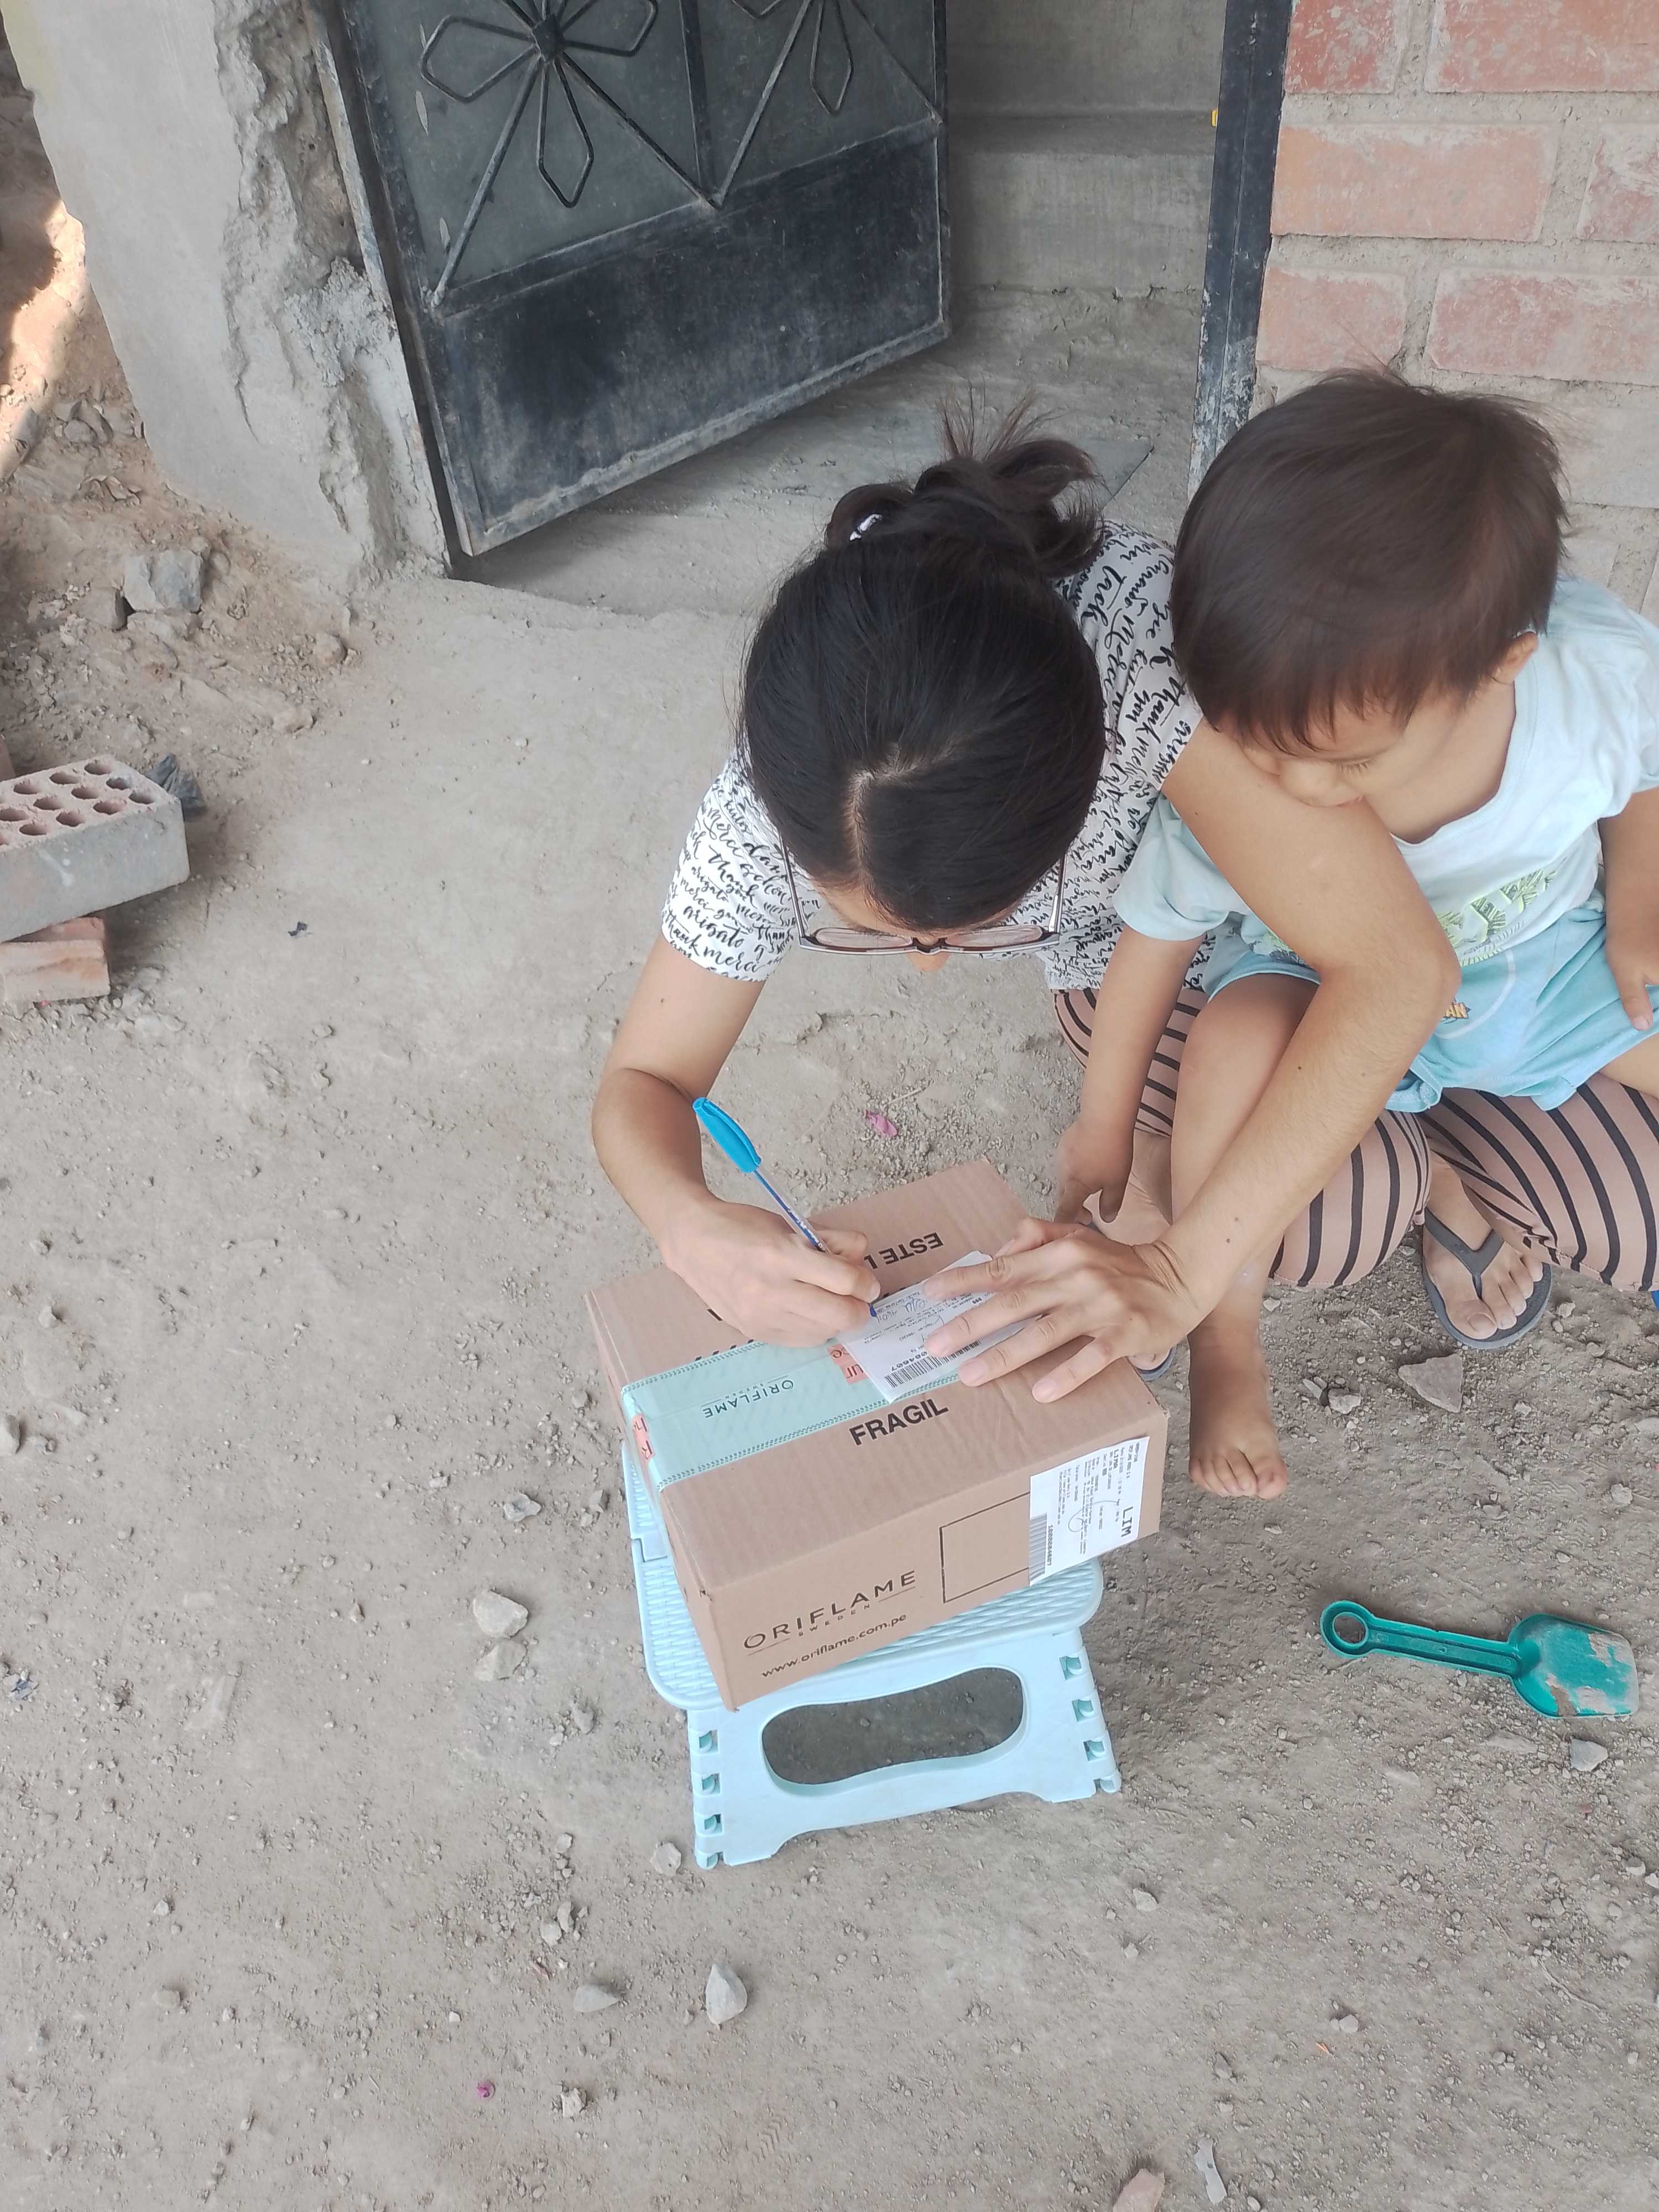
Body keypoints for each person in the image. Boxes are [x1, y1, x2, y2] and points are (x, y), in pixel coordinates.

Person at [592, 403, 1457, 1373]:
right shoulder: (777, 797)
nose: (929, 968)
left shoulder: (1149, 664)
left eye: (966, 929)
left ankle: (1450, 1157)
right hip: (1181, 973)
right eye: (875, 932)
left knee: (1369, 1198)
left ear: (1087, 792)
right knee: (1346, 1192)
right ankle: (1326, 1146)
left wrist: (1180, 1274)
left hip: (1439, 921)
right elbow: (644, 1082)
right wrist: (685, 1221)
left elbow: (1399, 965)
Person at [930, 373, 1659, 1501]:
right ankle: (1226, 1334)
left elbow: (1644, 767)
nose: (1295, 790)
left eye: (1345, 762)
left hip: (1538, 966)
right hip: (1312, 984)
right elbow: (1155, 931)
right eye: (1258, 747)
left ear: (1500, 665)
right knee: (1234, 1035)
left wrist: (1640, 908)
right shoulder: (1266, 764)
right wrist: (1100, 1127)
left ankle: (1459, 1167)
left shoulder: (1589, 678)